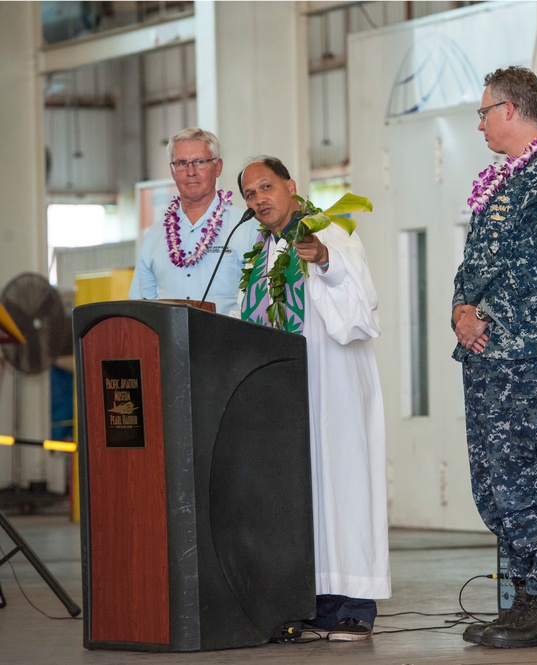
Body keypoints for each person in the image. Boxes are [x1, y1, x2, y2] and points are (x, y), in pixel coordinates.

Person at [451, 66, 537, 649]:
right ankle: (525, 598)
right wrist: (461, 308)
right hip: (486, 353)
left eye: (483, 112)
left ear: (510, 110)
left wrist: (484, 316)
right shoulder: (503, 181)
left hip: (524, 352)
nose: (479, 122)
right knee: (492, 476)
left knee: (525, 472)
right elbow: (474, 264)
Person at [236, 156, 390, 642]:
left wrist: (324, 261)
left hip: (334, 384)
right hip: (286, 394)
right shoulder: (262, 252)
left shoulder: (332, 232)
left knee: (344, 487)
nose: (259, 199)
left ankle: (357, 604)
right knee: (305, 494)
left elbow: (360, 315)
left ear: (291, 186)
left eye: (266, 187)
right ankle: (317, 599)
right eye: (249, 194)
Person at [129, 127, 255, 315]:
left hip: (230, 341)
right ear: (172, 171)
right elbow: (142, 307)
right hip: (170, 343)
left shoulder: (246, 227)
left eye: (200, 162)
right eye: (181, 163)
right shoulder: (155, 236)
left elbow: (261, 300)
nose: (190, 171)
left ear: (218, 167)